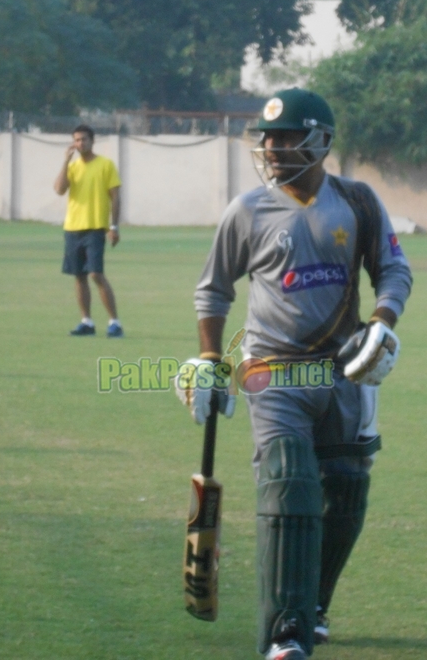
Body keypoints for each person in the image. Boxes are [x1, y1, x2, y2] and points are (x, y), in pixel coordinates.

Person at [176, 88, 413, 659]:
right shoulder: (248, 210)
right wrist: (210, 359)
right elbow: (213, 291)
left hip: (344, 370)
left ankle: (315, 607)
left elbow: (393, 270)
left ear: (323, 141)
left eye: (288, 137)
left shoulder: (356, 202)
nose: (274, 148)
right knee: (290, 483)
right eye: (269, 139)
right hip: (272, 372)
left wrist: (382, 323)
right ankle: (285, 635)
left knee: (346, 494)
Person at [54, 124, 124, 337]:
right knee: (79, 276)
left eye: (84, 139)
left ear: (92, 141)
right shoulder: (72, 167)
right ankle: (87, 322)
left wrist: (114, 226)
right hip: (73, 228)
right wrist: (65, 161)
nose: (80, 143)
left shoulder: (105, 165)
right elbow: (59, 189)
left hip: (95, 228)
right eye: (76, 140)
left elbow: (115, 197)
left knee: (96, 274)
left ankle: (114, 322)